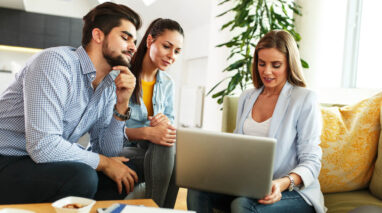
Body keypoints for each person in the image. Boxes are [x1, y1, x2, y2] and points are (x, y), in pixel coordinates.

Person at [0, 2, 143, 204]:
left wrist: (122, 104)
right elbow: (43, 146)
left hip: (38, 161)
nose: (133, 47)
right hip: (6, 158)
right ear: (98, 35)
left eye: (134, 41)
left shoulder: (110, 84)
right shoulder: (55, 63)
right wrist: (103, 163)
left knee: (127, 172)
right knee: (84, 176)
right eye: (125, 37)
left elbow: (107, 152)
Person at [187, 30, 325, 213]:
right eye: (262, 64)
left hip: (293, 191)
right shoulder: (247, 97)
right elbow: (238, 147)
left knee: (242, 205)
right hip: (248, 186)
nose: (267, 71)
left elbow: (312, 161)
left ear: (289, 64)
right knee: (198, 189)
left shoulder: (304, 99)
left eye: (276, 65)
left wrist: (282, 183)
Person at [120, 18, 184, 208]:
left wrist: (164, 122)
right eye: (167, 46)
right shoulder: (122, 74)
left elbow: (170, 123)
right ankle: (157, 210)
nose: (172, 55)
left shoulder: (168, 83)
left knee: (169, 147)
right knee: (167, 151)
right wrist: (147, 132)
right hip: (120, 146)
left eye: (177, 51)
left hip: (150, 148)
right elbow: (106, 128)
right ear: (149, 41)